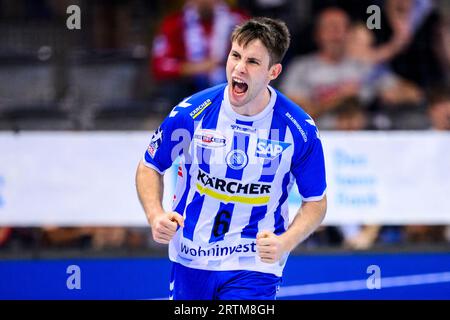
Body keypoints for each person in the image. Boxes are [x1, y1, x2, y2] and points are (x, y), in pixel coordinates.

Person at [136, 17, 327, 300]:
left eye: (252, 62)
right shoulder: (191, 114)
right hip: (192, 255)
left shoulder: (298, 129)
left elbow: (316, 201)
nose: (239, 68)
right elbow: (149, 166)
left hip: (255, 263)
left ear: (273, 71)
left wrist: (286, 241)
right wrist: (155, 215)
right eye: (235, 55)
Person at [150, 0, 248, 105]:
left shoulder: (238, 20)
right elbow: (159, 65)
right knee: (174, 88)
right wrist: (194, 67)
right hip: (188, 87)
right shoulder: (174, 23)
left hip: (231, 82)